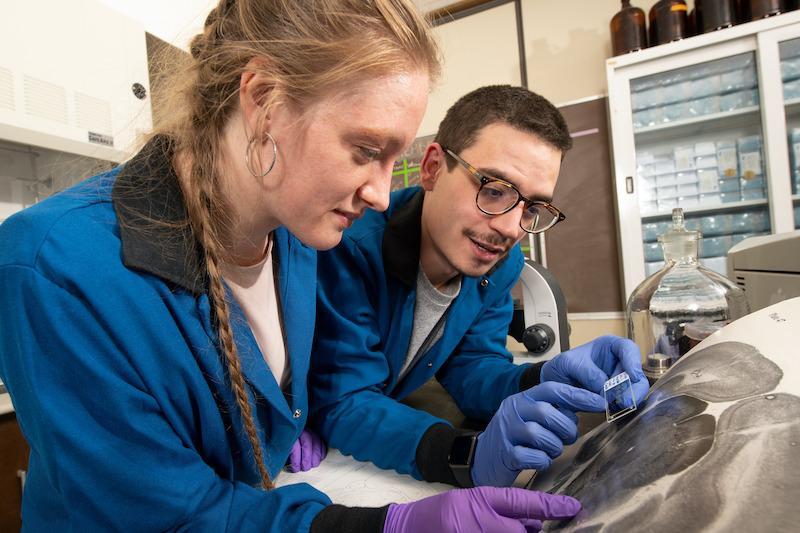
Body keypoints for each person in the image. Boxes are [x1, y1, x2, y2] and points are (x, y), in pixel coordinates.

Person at [0, 1, 582, 531]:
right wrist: (383, 526)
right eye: (365, 150)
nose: (383, 194)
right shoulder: (54, 267)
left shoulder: (299, 242)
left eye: (393, 158)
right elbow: (169, 513)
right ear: (263, 100)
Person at [309, 85, 650, 489]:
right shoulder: (352, 245)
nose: (509, 229)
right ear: (433, 168)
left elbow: (473, 368)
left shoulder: (502, 266)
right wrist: (462, 454)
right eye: (493, 190)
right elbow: (346, 399)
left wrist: (544, 377)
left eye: (533, 208)